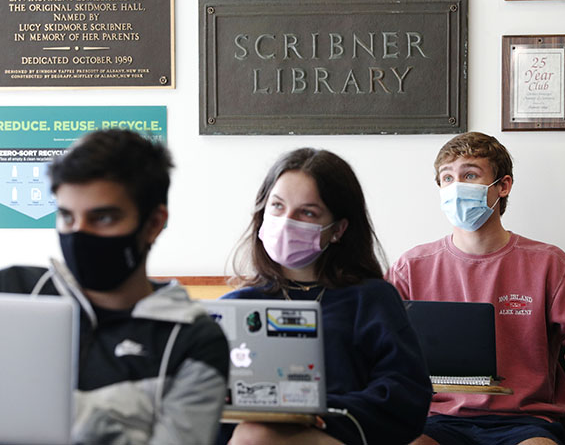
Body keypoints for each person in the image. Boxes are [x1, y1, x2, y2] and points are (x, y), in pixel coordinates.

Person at [386, 131, 565, 445]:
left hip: (526, 423)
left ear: (503, 186)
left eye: (470, 175)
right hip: (435, 420)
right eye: (447, 178)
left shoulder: (550, 265)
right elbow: (378, 355)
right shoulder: (410, 267)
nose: (456, 187)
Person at [0, 129, 229, 444]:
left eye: (103, 218)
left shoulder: (192, 342)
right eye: (67, 217)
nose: (79, 235)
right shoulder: (16, 290)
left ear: (153, 224)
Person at [218, 147, 432, 445]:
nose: (286, 221)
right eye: (277, 206)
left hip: (342, 435)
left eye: (307, 212)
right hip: (246, 434)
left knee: (255, 437)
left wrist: (322, 414)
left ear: (338, 229)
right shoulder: (236, 307)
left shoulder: (372, 299)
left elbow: (405, 395)